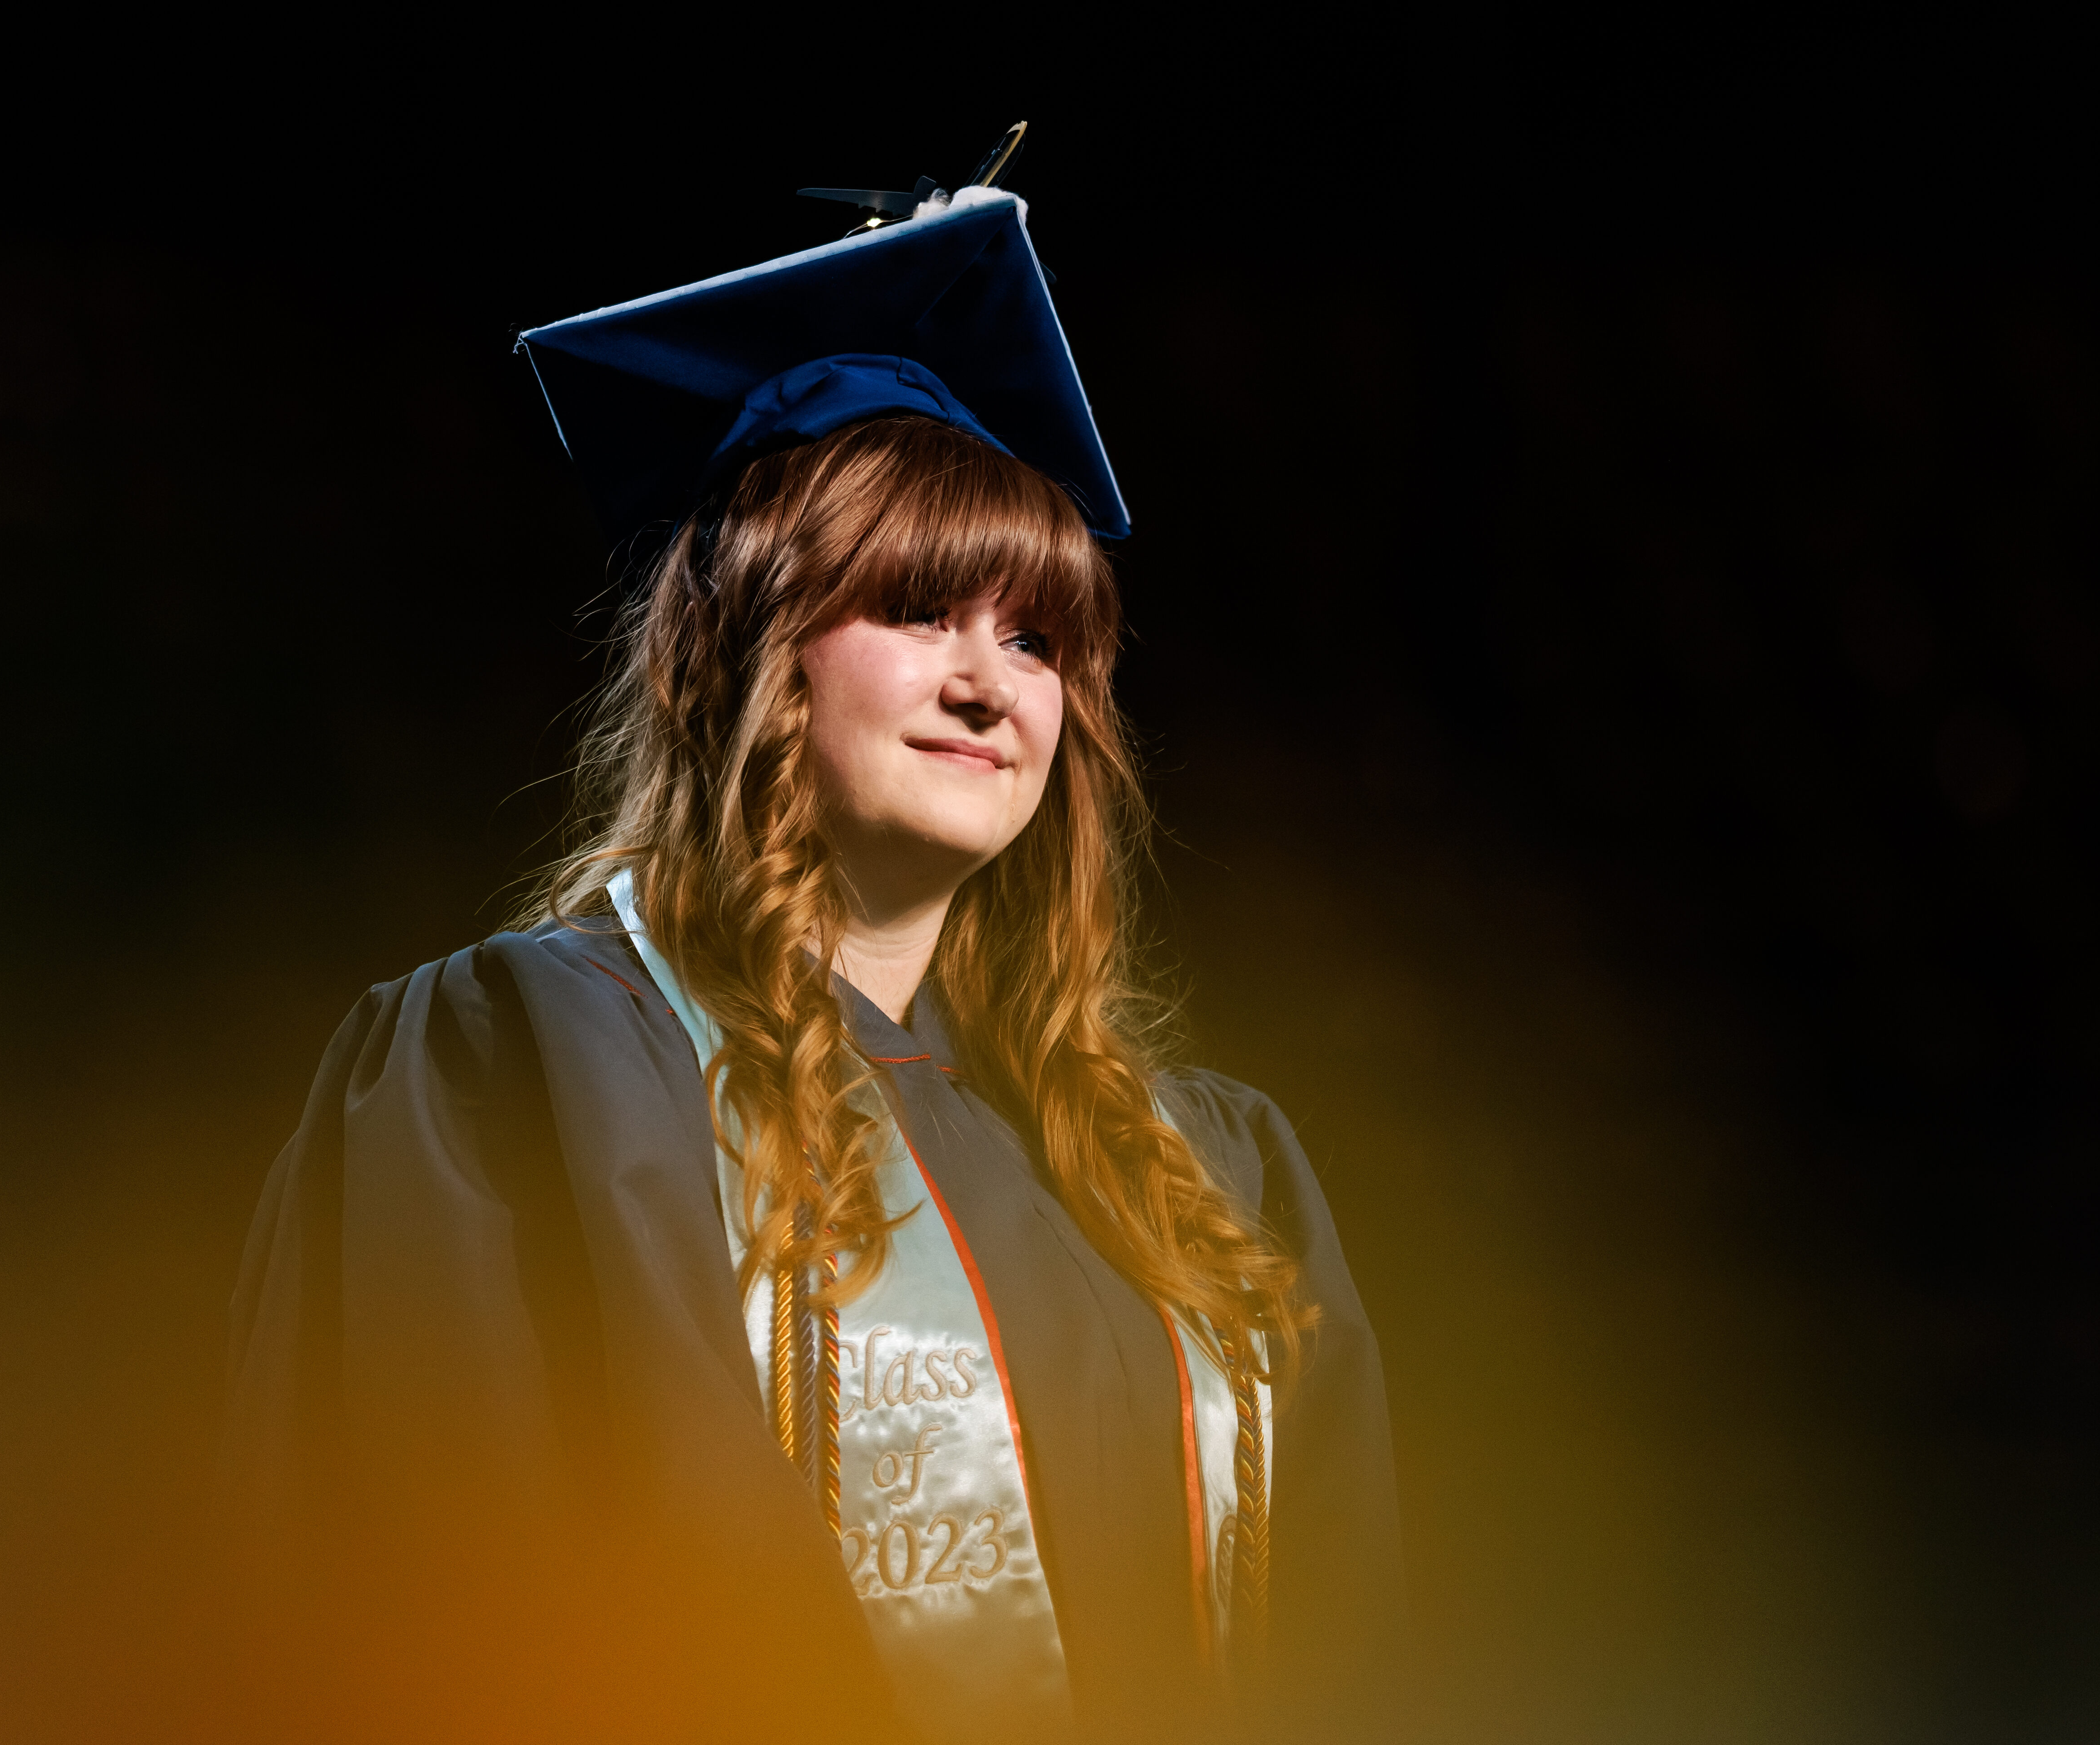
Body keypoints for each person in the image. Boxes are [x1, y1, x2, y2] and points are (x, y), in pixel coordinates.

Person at [227, 173, 1403, 1743]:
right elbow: (424, 1608)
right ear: (750, 649)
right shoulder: (526, 1068)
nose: (992, 686)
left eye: (1040, 639)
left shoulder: (1196, 1173)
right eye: (920, 611)